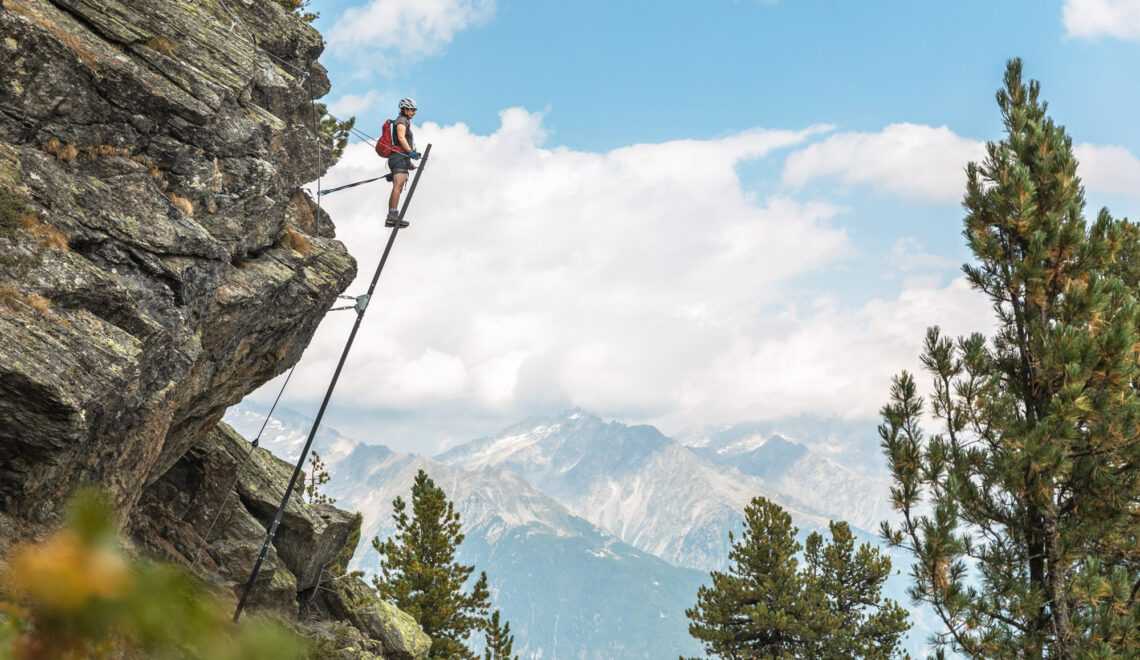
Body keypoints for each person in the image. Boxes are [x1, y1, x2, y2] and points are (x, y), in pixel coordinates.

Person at [386, 98, 422, 227]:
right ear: (405, 109)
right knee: (398, 186)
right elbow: (401, 138)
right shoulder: (401, 122)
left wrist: (409, 163)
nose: (414, 113)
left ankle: (392, 215)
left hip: (400, 158)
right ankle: (392, 216)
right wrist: (410, 151)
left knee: (398, 187)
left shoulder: (404, 121)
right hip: (398, 157)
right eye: (412, 110)